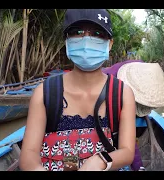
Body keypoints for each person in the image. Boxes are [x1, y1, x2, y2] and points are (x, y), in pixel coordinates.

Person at [19, 9, 136, 171]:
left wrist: (100, 161)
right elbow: (29, 153)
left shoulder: (122, 93)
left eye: (97, 33)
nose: (87, 40)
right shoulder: (44, 93)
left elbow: (128, 151)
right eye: (77, 32)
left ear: (109, 44)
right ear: (67, 41)